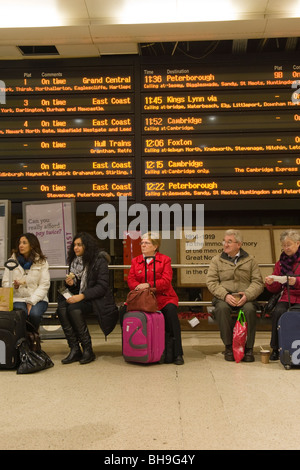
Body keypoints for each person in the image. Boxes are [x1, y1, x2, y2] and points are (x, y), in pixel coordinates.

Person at [57, 232, 118, 365]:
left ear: (87, 246)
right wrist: (72, 284)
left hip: (97, 300)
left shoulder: (99, 261)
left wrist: (82, 296)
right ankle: (74, 348)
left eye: (79, 245)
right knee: (61, 308)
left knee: (73, 309)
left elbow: (102, 287)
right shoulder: (75, 262)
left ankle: (87, 349)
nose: (76, 248)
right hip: (82, 297)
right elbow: (80, 285)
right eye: (74, 245)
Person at [206, 229, 264, 362]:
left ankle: (248, 348)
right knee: (222, 309)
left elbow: (258, 282)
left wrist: (247, 295)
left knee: (249, 310)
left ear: (239, 244)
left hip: (246, 298)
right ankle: (228, 347)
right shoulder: (216, 260)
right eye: (224, 241)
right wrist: (225, 295)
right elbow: (211, 282)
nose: (225, 244)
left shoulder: (250, 261)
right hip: (224, 297)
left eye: (229, 242)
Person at [127, 232, 184, 365]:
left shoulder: (165, 260)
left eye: (146, 243)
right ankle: (133, 349)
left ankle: (177, 353)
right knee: (123, 311)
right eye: (142, 242)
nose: (142, 245)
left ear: (155, 246)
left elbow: (166, 281)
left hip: (163, 298)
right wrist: (141, 289)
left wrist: (148, 285)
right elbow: (131, 281)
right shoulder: (135, 261)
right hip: (142, 298)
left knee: (170, 313)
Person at [2, 233, 50, 329]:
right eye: (20, 243)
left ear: (32, 245)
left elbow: (44, 285)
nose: (21, 245)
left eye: (24, 243)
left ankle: (33, 338)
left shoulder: (41, 262)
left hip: (38, 298)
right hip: (18, 298)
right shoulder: (12, 261)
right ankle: (23, 339)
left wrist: (31, 301)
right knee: (21, 313)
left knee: (34, 314)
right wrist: (13, 285)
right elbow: (5, 283)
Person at [265, 229, 300, 361]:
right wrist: (271, 282)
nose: (286, 248)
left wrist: (296, 281)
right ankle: (276, 347)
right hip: (287, 296)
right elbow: (276, 288)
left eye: (289, 244)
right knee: (278, 311)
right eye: (284, 245)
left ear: (297, 243)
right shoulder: (280, 263)